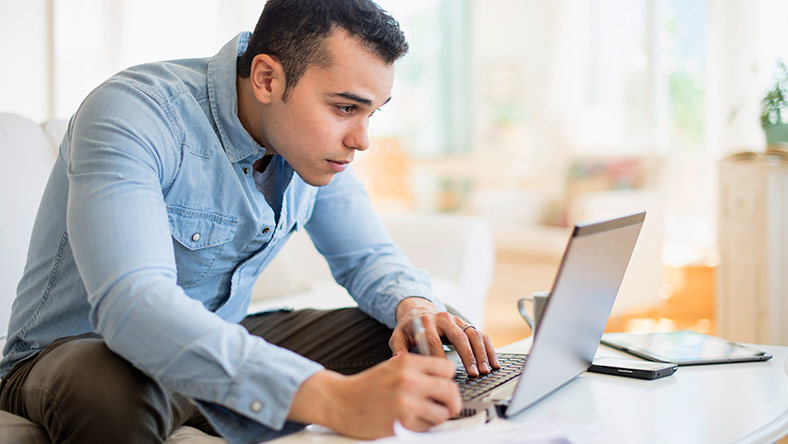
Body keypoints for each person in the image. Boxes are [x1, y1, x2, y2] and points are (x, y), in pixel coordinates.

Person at [0, 0, 499, 442]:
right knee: (105, 383)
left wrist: (414, 304)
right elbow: (133, 307)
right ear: (267, 78)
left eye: (372, 113)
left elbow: (368, 258)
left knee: (422, 337)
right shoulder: (136, 113)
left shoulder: (309, 146)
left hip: (219, 343)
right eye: (346, 108)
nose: (361, 139)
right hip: (82, 356)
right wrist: (328, 398)